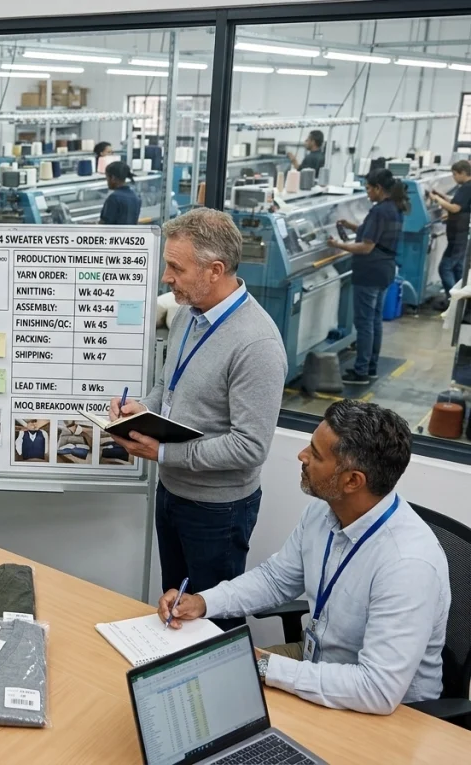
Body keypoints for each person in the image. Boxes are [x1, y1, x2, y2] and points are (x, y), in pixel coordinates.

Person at [159, 400, 450, 716]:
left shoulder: (407, 564)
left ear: (353, 481)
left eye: (316, 453)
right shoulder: (326, 511)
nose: (302, 456)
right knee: (193, 685)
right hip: (317, 663)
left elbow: (377, 688)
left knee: (225, 712)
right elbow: (275, 580)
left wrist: (265, 666)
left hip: (390, 711)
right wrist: (202, 602)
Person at [108, 208, 287, 629]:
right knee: (176, 610)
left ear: (215, 270)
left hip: (217, 513)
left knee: (210, 624)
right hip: (173, 495)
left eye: (176, 267)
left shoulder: (256, 344)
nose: (167, 278)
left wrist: (166, 453)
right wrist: (143, 408)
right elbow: (168, 386)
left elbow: (250, 447)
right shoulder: (188, 313)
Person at [329, 168, 409, 385]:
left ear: (378, 188)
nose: (367, 193)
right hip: (385, 271)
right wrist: (350, 225)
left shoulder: (378, 211)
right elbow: (374, 234)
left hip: (370, 272)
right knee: (374, 321)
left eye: (368, 189)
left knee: (364, 323)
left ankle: (361, 371)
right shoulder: (394, 208)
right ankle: (371, 366)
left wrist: (338, 245)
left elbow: (366, 246)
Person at [429, 159, 471, 297]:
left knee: (445, 268)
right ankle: (463, 302)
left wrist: (436, 199)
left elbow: (455, 208)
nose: (454, 178)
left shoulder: (466, 187)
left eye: (455, 174)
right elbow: (457, 202)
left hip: (459, 236)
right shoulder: (466, 188)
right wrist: (442, 196)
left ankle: (454, 300)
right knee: (458, 268)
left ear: (463, 173)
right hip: (460, 235)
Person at [99, 161, 141, 226]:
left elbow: (105, 224)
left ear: (113, 178)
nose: (107, 182)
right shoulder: (136, 196)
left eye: (107, 178)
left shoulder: (114, 198)